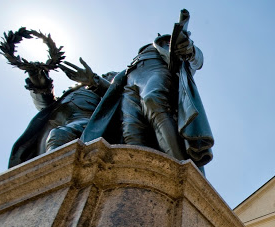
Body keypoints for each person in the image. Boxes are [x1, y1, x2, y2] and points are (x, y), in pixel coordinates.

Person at [81, 22, 213, 170]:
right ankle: (136, 174)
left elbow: (197, 59)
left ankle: (180, 170)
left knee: (153, 100)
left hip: (156, 69)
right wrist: (94, 81)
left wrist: (189, 48)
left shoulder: (170, 49)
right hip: (132, 77)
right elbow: (112, 92)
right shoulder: (129, 66)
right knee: (130, 129)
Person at [8, 59, 115, 168]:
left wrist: (95, 81)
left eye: (109, 76)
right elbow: (46, 106)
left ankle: (55, 177)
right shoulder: (74, 90)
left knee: (61, 134)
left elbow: (123, 96)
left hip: (85, 120)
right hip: (51, 126)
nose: (105, 75)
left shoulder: (103, 85)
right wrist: (38, 81)